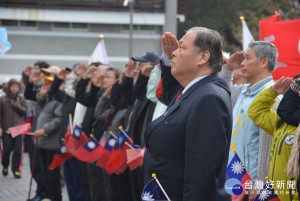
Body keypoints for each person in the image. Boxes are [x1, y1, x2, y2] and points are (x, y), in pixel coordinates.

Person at [143, 27, 232, 200]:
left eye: (181, 48)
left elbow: (202, 175)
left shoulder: (209, 98)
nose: (174, 53)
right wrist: (168, 60)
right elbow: (168, 94)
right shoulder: (194, 90)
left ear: (203, 57)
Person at [222, 42, 280, 200]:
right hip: (235, 182)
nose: (242, 63)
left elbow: (267, 147)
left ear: (263, 62)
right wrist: (228, 68)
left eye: (247, 58)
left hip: (252, 189)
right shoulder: (243, 91)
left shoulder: (272, 98)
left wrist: (260, 185)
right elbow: (221, 90)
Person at [248, 77, 299, 200]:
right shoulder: (280, 122)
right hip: (275, 192)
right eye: (293, 88)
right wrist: (273, 91)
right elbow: (256, 112)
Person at [0, 78, 27, 178]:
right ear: (9, 87)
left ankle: (16, 170)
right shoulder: (3, 99)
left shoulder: (22, 98)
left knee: (18, 150)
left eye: (16, 86)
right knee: (6, 150)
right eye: (13, 86)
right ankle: (5, 165)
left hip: (19, 130)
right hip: (7, 129)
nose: (14, 88)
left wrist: (17, 106)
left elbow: (26, 112)